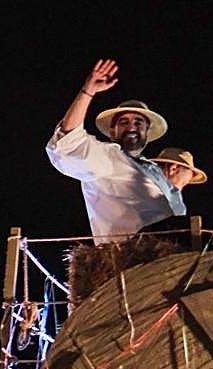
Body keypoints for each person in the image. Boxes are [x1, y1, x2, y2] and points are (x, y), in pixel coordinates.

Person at [46, 59, 185, 242]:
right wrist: (88, 92)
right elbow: (67, 143)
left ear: (147, 131)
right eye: (123, 122)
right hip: (132, 250)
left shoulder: (153, 170)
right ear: (113, 132)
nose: (131, 127)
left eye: (138, 122)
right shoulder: (107, 157)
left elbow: (177, 211)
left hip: (172, 246)